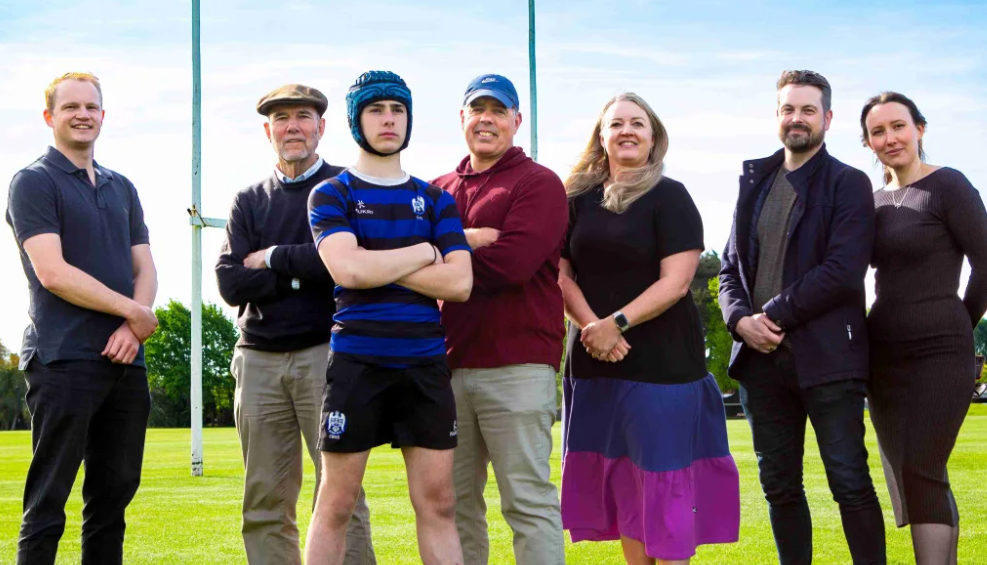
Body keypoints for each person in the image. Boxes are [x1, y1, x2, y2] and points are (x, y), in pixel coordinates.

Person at [558, 92, 740, 565]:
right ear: (601, 136)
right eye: (616, 123)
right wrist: (593, 328)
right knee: (625, 489)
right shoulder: (574, 200)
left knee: (666, 489)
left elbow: (676, 282)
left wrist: (615, 324)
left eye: (638, 123)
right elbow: (559, 276)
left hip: (663, 368)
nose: (627, 131)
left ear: (654, 136)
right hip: (595, 366)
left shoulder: (670, 196)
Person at [718, 70, 886, 565]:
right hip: (760, 364)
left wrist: (769, 315)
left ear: (827, 119)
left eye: (808, 110)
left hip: (829, 359)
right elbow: (729, 269)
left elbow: (843, 270)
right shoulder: (755, 183)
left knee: (849, 481)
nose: (797, 118)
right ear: (776, 115)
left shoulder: (848, 183)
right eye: (788, 109)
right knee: (780, 488)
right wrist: (739, 321)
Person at [304, 70, 471, 565]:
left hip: (424, 363)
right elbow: (349, 271)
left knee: (439, 504)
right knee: (336, 503)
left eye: (398, 110)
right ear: (356, 121)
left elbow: (459, 284)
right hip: (357, 362)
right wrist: (424, 252)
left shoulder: (437, 200)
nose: (389, 119)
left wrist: (377, 261)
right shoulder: (331, 193)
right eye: (376, 110)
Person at [215, 84, 375, 565]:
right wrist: (305, 271)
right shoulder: (248, 200)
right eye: (281, 119)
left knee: (341, 496)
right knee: (264, 499)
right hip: (257, 360)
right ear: (268, 131)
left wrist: (272, 260)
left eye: (303, 117)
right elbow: (229, 283)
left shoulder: (345, 187)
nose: (292, 127)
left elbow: (348, 263)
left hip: (327, 355)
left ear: (321, 127)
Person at [6, 72, 158, 565]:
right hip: (63, 358)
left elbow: (145, 268)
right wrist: (133, 312)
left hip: (125, 362)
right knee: (48, 502)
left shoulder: (122, 187)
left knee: (111, 504)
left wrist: (133, 329)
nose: (82, 115)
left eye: (91, 107)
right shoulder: (33, 182)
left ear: (103, 116)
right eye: (70, 107)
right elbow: (52, 273)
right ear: (49, 117)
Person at [431, 73, 567, 565]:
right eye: (477, 109)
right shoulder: (436, 190)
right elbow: (404, 259)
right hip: (446, 367)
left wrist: (440, 254)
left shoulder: (539, 183)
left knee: (527, 502)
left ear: (516, 120)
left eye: (497, 110)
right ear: (462, 118)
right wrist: (471, 239)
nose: (486, 119)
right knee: (451, 506)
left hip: (517, 366)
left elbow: (512, 265)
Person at [860, 91, 987, 565]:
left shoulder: (948, 186)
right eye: (878, 131)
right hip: (883, 360)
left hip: (941, 353)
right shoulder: (870, 203)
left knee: (922, 465)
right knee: (913, 476)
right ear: (868, 143)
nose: (890, 138)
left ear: (920, 129)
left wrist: (957, 322)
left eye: (899, 126)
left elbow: (986, 263)